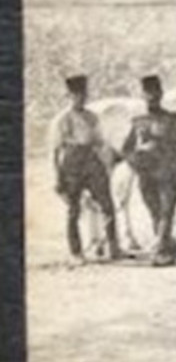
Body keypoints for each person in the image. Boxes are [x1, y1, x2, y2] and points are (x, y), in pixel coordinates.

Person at [122, 74, 176, 266]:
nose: (152, 98)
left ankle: (161, 252)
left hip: (169, 171)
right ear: (143, 96)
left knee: (167, 212)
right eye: (148, 94)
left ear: (161, 94)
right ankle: (168, 246)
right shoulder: (138, 121)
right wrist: (135, 161)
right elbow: (126, 149)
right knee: (155, 212)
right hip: (146, 173)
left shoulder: (172, 118)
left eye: (155, 93)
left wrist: (166, 136)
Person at [51, 75, 121, 262]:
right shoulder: (62, 120)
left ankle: (113, 247)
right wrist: (57, 177)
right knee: (74, 210)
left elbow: (99, 140)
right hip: (72, 164)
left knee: (107, 205)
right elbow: (56, 151)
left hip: (91, 161)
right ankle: (76, 252)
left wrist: (109, 157)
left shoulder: (92, 117)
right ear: (69, 96)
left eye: (83, 95)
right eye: (76, 95)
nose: (80, 98)